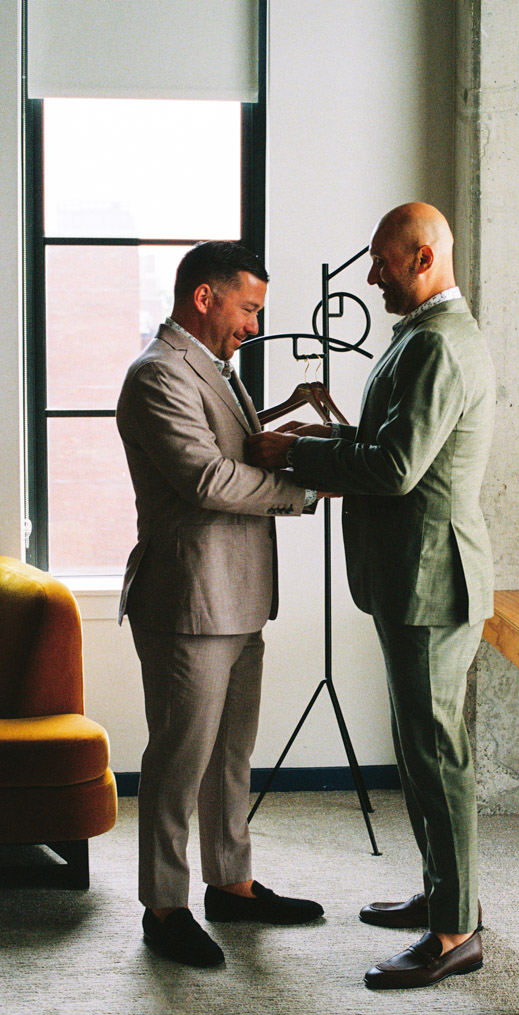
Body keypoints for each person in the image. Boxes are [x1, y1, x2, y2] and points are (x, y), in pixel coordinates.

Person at [247, 203, 495, 989]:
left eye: (383, 263)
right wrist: (309, 445)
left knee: (435, 757)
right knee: (424, 755)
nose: (370, 276)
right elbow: (387, 445)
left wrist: (299, 452)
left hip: (430, 579)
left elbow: (394, 470)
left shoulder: (438, 346)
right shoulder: (424, 338)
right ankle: (444, 897)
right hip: (411, 576)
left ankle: (454, 931)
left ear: (422, 259)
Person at [117, 241, 325, 969]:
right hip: (188, 600)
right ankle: (163, 907)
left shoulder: (213, 368)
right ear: (203, 298)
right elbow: (207, 479)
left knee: (230, 756)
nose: (253, 325)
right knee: (179, 760)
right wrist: (306, 490)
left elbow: (235, 449)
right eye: (247, 308)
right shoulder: (156, 375)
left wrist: (288, 437)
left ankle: (229, 885)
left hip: (239, 597)